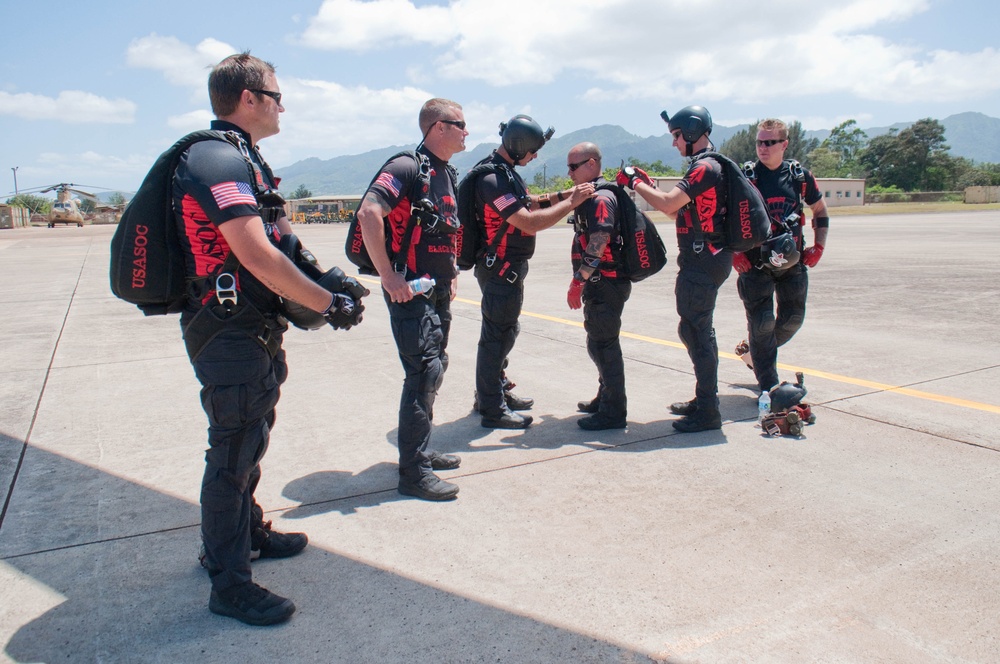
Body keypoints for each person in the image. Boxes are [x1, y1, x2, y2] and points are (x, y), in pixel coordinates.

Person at [176, 53, 365, 625]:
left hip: (251, 329)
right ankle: (229, 582)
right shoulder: (214, 159)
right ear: (249, 99)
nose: (284, 105)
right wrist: (325, 304)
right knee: (231, 453)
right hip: (225, 329)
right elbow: (254, 253)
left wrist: (326, 278)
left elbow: (280, 237)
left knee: (251, 437)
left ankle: (247, 533)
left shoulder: (247, 159)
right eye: (277, 95)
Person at [355, 98, 467, 501]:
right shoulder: (406, 165)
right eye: (460, 124)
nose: (467, 131)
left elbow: (446, 227)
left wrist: (450, 271)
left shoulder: (447, 172)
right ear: (438, 127)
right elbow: (370, 213)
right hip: (410, 291)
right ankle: (413, 474)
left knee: (435, 369)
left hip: (436, 290)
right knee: (422, 373)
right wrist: (389, 275)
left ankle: (421, 451)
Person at [466, 115, 595, 429]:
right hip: (499, 270)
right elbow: (527, 220)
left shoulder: (505, 174)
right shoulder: (492, 179)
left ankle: (492, 393)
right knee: (496, 337)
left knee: (505, 332)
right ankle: (491, 409)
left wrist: (566, 194)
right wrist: (572, 202)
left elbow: (529, 202)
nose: (536, 156)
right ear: (518, 145)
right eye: (533, 150)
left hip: (507, 269)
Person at [616, 106, 732, 433]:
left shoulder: (704, 168)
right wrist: (649, 186)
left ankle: (709, 410)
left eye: (677, 136)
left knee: (698, 331)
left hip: (704, 260)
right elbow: (676, 212)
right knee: (693, 330)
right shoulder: (706, 167)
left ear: (693, 132)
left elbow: (666, 203)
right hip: (703, 258)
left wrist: (636, 182)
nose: (674, 143)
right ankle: (704, 399)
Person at [733, 118, 830, 392]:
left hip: (792, 264)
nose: (763, 148)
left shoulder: (800, 177)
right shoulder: (746, 178)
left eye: (770, 142)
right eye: (759, 142)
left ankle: (754, 351)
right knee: (762, 325)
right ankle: (770, 389)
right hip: (754, 266)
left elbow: (820, 211)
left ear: (784, 144)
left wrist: (819, 246)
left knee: (792, 320)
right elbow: (724, 218)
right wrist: (735, 253)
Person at [565, 142, 631, 430]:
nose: (569, 173)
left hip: (607, 282)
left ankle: (613, 412)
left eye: (573, 167)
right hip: (601, 281)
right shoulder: (590, 196)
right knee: (597, 342)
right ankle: (605, 396)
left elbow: (599, 241)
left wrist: (578, 280)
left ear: (592, 164)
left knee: (605, 346)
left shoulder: (601, 199)